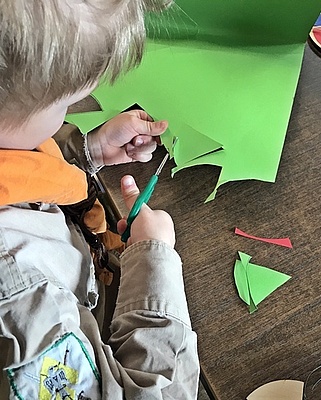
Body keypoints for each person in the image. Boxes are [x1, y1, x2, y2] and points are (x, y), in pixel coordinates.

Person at [0, 1, 200, 399]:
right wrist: (153, 262)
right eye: (62, 105)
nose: (65, 116)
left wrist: (86, 152)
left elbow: (15, 165)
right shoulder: (19, 304)